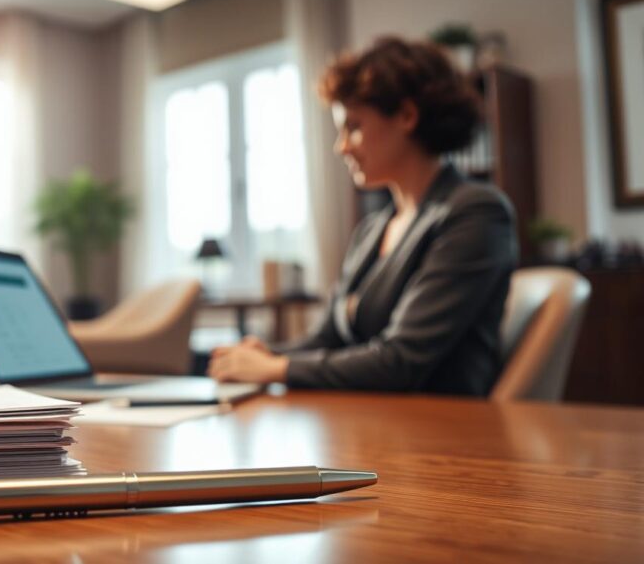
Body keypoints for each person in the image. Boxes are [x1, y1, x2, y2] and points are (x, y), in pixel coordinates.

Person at [207, 36, 517, 396]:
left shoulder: (475, 213)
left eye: (353, 126)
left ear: (406, 116)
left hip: (438, 433)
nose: (341, 147)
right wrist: (263, 355)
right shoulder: (372, 229)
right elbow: (329, 339)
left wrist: (275, 368)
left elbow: (402, 360)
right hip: (373, 421)